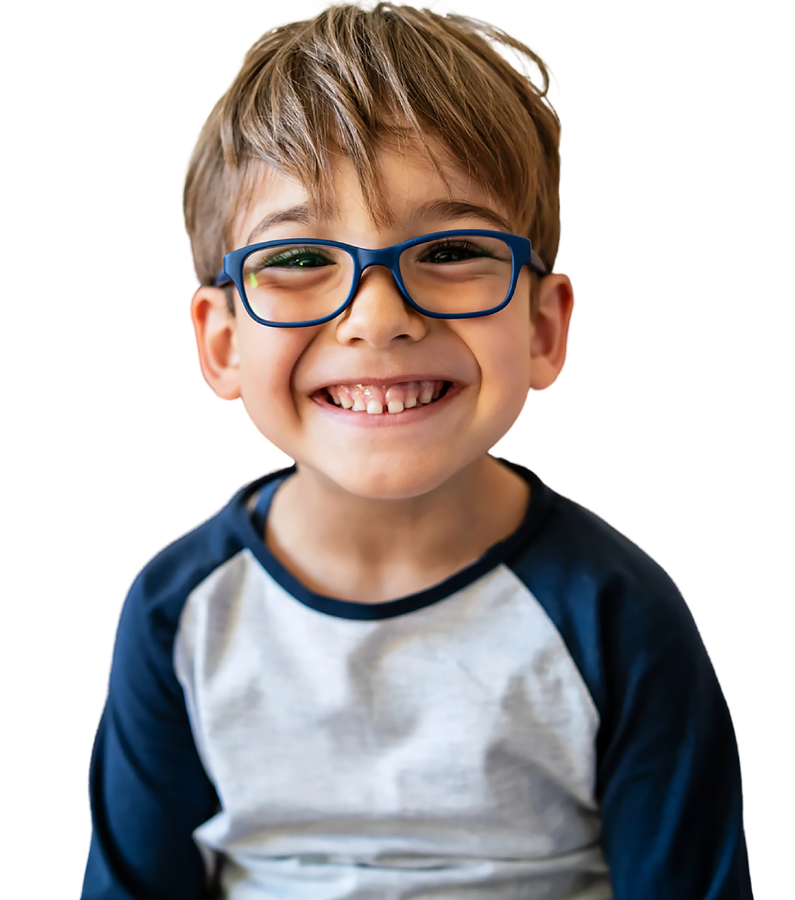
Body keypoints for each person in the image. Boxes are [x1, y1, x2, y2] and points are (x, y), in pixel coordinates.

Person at [80, 3, 753, 898]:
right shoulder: (180, 614)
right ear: (222, 342)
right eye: (294, 261)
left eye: (450, 247)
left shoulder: (617, 614)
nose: (378, 317)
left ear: (543, 326)